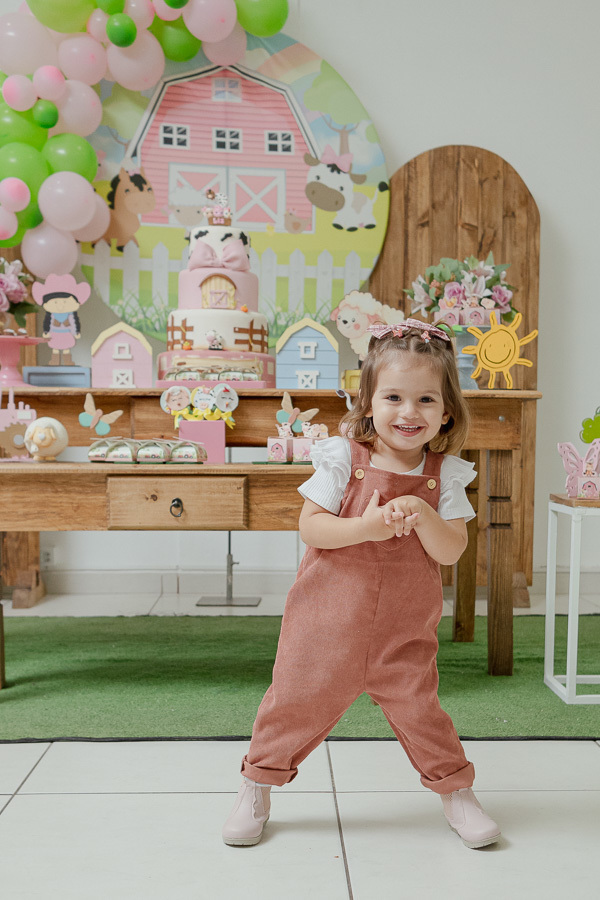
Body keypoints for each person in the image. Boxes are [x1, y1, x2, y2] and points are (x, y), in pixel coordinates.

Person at [223, 318, 501, 850]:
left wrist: (425, 513)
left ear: (446, 411)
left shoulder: (446, 475)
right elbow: (311, 528)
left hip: (402, 629)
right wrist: (366, 528)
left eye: (425, 399)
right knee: (292, 705)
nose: (408, 412)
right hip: (325, 622)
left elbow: (452, 550)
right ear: (368, 402)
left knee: (422, 712)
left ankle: (456, 792)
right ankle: (256, 786)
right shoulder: (341, 458)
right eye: (393, 397)